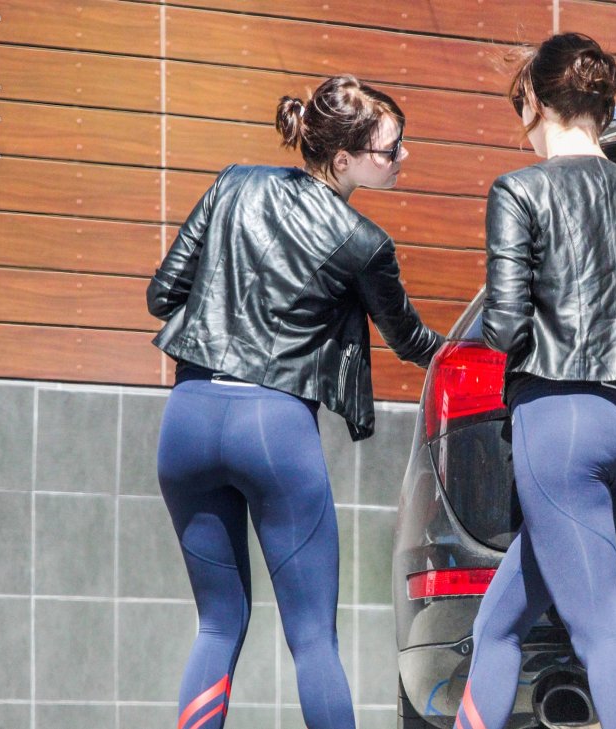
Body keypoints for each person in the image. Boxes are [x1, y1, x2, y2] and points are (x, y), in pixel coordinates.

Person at [147, 74, 443, 729]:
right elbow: (411, 341)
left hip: (188, 417)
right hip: (272, 427)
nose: (403, 156)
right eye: (391, 148)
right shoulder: (364, 243)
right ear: (344, 159)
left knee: (217, 622)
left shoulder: (233, 184)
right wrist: (481, 357)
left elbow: (162, 294)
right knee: (311, 638)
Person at [452, 32, 616, 729]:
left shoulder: (520, 190)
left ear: (534, 99)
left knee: (601, 637)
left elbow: (502, 326)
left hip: (559, 433)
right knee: (497, 624)